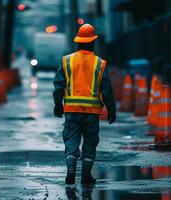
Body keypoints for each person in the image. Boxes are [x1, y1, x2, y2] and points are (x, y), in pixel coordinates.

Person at [53, 24, 116, 186]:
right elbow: (107, 89)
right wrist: (111, 109)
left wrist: (57, 104)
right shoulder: (100, 64)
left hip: (72, 111)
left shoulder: (67, 61)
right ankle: (86, 175)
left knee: (71, 140)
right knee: (90, 143)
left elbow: (59, 85)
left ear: (78, 42)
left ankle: (71, 171)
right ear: (93, 42)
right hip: (92, 112)